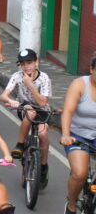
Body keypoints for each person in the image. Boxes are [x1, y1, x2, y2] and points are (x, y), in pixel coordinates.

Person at [0, 48, 51, 186]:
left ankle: (44, 166)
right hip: (25, 108)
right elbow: (3, 95)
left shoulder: (44, 78)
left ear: (36, 62)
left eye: (29, 62)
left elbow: (42, 102)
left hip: (43, 110)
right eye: (22, 64)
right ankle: (20, 145)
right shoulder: (17, 76)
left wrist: (30, 85)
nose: (26, 66)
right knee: (30, 110)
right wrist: (11, 101)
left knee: (43, 134)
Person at [60, 52, 96, 214]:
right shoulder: (80, 85)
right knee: (80, 173)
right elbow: (67, 112)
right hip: (78, 136)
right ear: (91, 69)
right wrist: (66, 135)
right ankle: (72, 203)